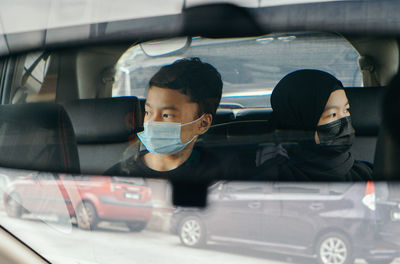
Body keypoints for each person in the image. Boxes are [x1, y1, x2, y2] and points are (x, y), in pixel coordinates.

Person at [106, 57, 239, 181]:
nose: (152, 122)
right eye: (148, 112)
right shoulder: (118, 176)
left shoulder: (224, 174)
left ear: (202, 124)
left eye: (166, 115)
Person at [256, 69, 372, 182]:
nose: (345, 122)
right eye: (332, 114)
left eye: (346, 110)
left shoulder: (367, 173)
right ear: (300, 124)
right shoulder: (273, 182)